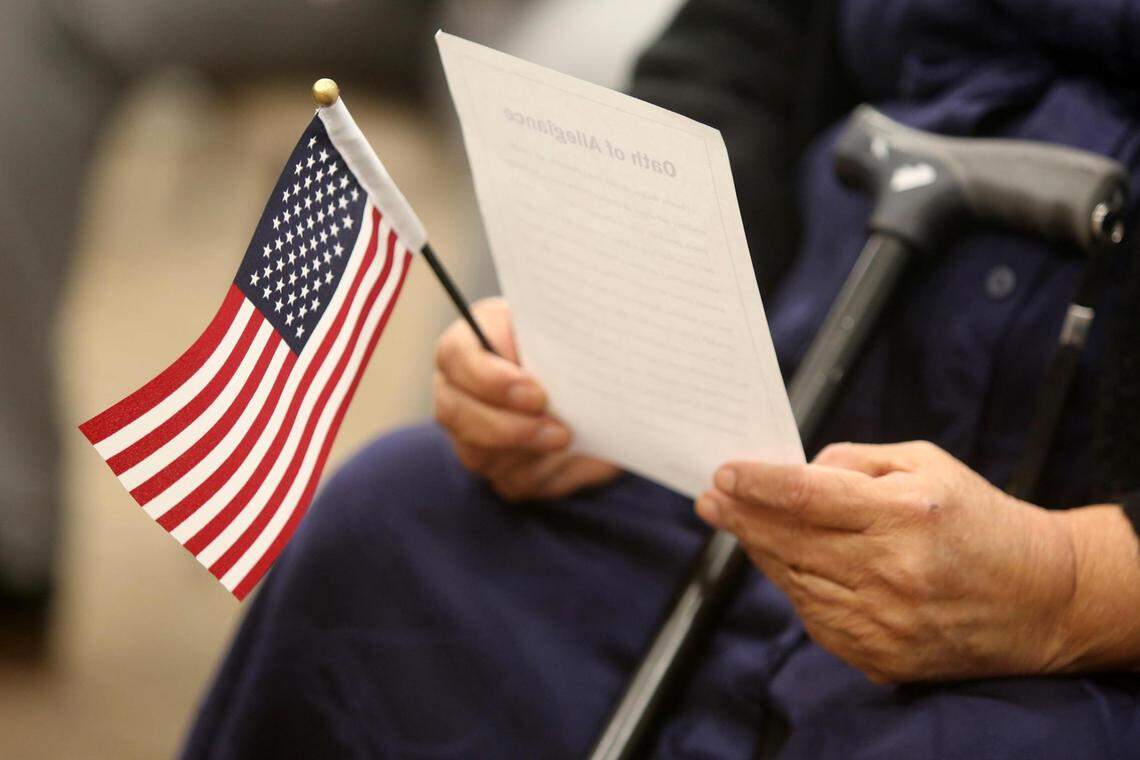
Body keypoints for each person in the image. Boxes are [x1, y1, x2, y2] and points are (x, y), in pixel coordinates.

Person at [183, 0, 1140, 757]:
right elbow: (741, 49)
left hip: (1086, 564)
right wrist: (621, 330)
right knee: (395, 523)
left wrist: (1072, 588)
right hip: (776, 432)